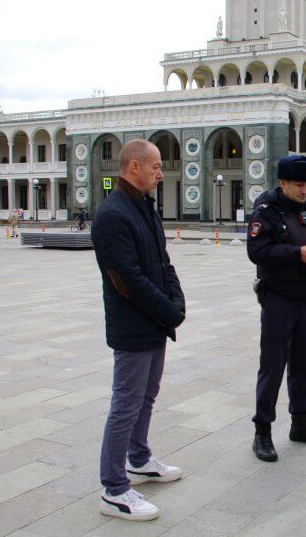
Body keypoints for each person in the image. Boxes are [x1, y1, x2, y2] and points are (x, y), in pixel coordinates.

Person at [91, 139, 186, 521]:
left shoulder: (143, 207)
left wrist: (176, 303)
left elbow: (163, 262)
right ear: (134, 166)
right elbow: (125, 280)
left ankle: (140, 459)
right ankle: (114, 489)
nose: (161, 174)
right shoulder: (113, 214)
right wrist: (168, 310)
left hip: (155, 322)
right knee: (126, 404)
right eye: (156, 167)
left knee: (146, 397)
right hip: (133, 326)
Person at [246, 154, 306, 462]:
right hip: (279, 299)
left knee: (303, 362)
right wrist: (298, 254)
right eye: (298, 184)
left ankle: (300, 422)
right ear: (282, 182)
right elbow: (258, 251)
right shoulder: (266, 214)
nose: (304, 191)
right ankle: (263, 432)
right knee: (273, 365)